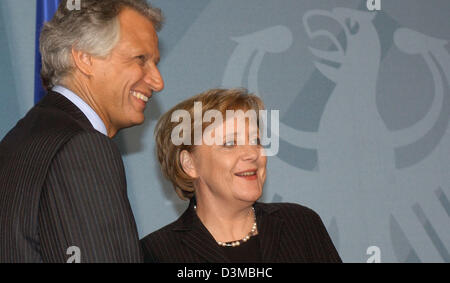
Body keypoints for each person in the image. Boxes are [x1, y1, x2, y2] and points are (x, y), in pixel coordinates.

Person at [0, 0, 164, 263]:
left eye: (155, 62)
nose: (158, 81)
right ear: (85, 58)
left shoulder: (22, 138)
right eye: (140, 59)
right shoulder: (82, 146)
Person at [141, 88, 341, 263]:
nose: (253, 153)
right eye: (230, 144)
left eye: (255, 140)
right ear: (190, 164)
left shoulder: (300, 225)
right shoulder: (156, 253)